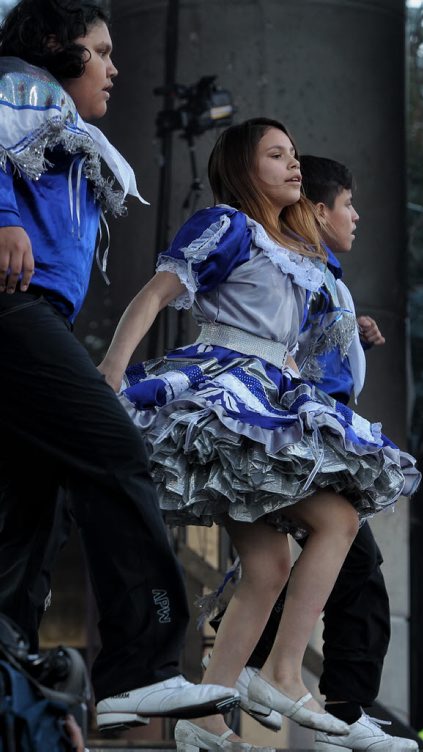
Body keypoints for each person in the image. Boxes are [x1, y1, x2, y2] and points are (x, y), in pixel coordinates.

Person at [99, 117, 421, 751]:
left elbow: (301, 342)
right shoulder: (229, 224)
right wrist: (112, 367)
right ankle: (278, 671)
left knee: (270, 563)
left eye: (295, 154)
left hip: (269, 395)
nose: (293, 164)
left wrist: (354, 333)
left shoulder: (296, 252)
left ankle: (205, 717)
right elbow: (157, 294)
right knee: (336, 520)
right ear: (246, 168)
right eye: (277, 155)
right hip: (224, 390)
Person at [0, 0, 239, 734]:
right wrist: (4, 216)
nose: (115, 66)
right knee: (115, 453)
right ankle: (140, 668)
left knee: (32, 510)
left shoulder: (54, 121)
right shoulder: (20, 84)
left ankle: (8, 668)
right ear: (52, 45)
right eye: (100, 50)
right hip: (13, 310)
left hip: (37, 322)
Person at [208, 155, 418, 751]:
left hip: (311, 442)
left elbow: (312, 350)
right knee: (351, 563)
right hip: (294, 442)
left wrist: (354, 330)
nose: (357, 216)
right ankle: (336, 712)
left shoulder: (323, 276)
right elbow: (276, 349)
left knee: (316, 568)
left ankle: (262, 684)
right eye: (347, 205)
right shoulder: (292, 266)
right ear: (319, 212)